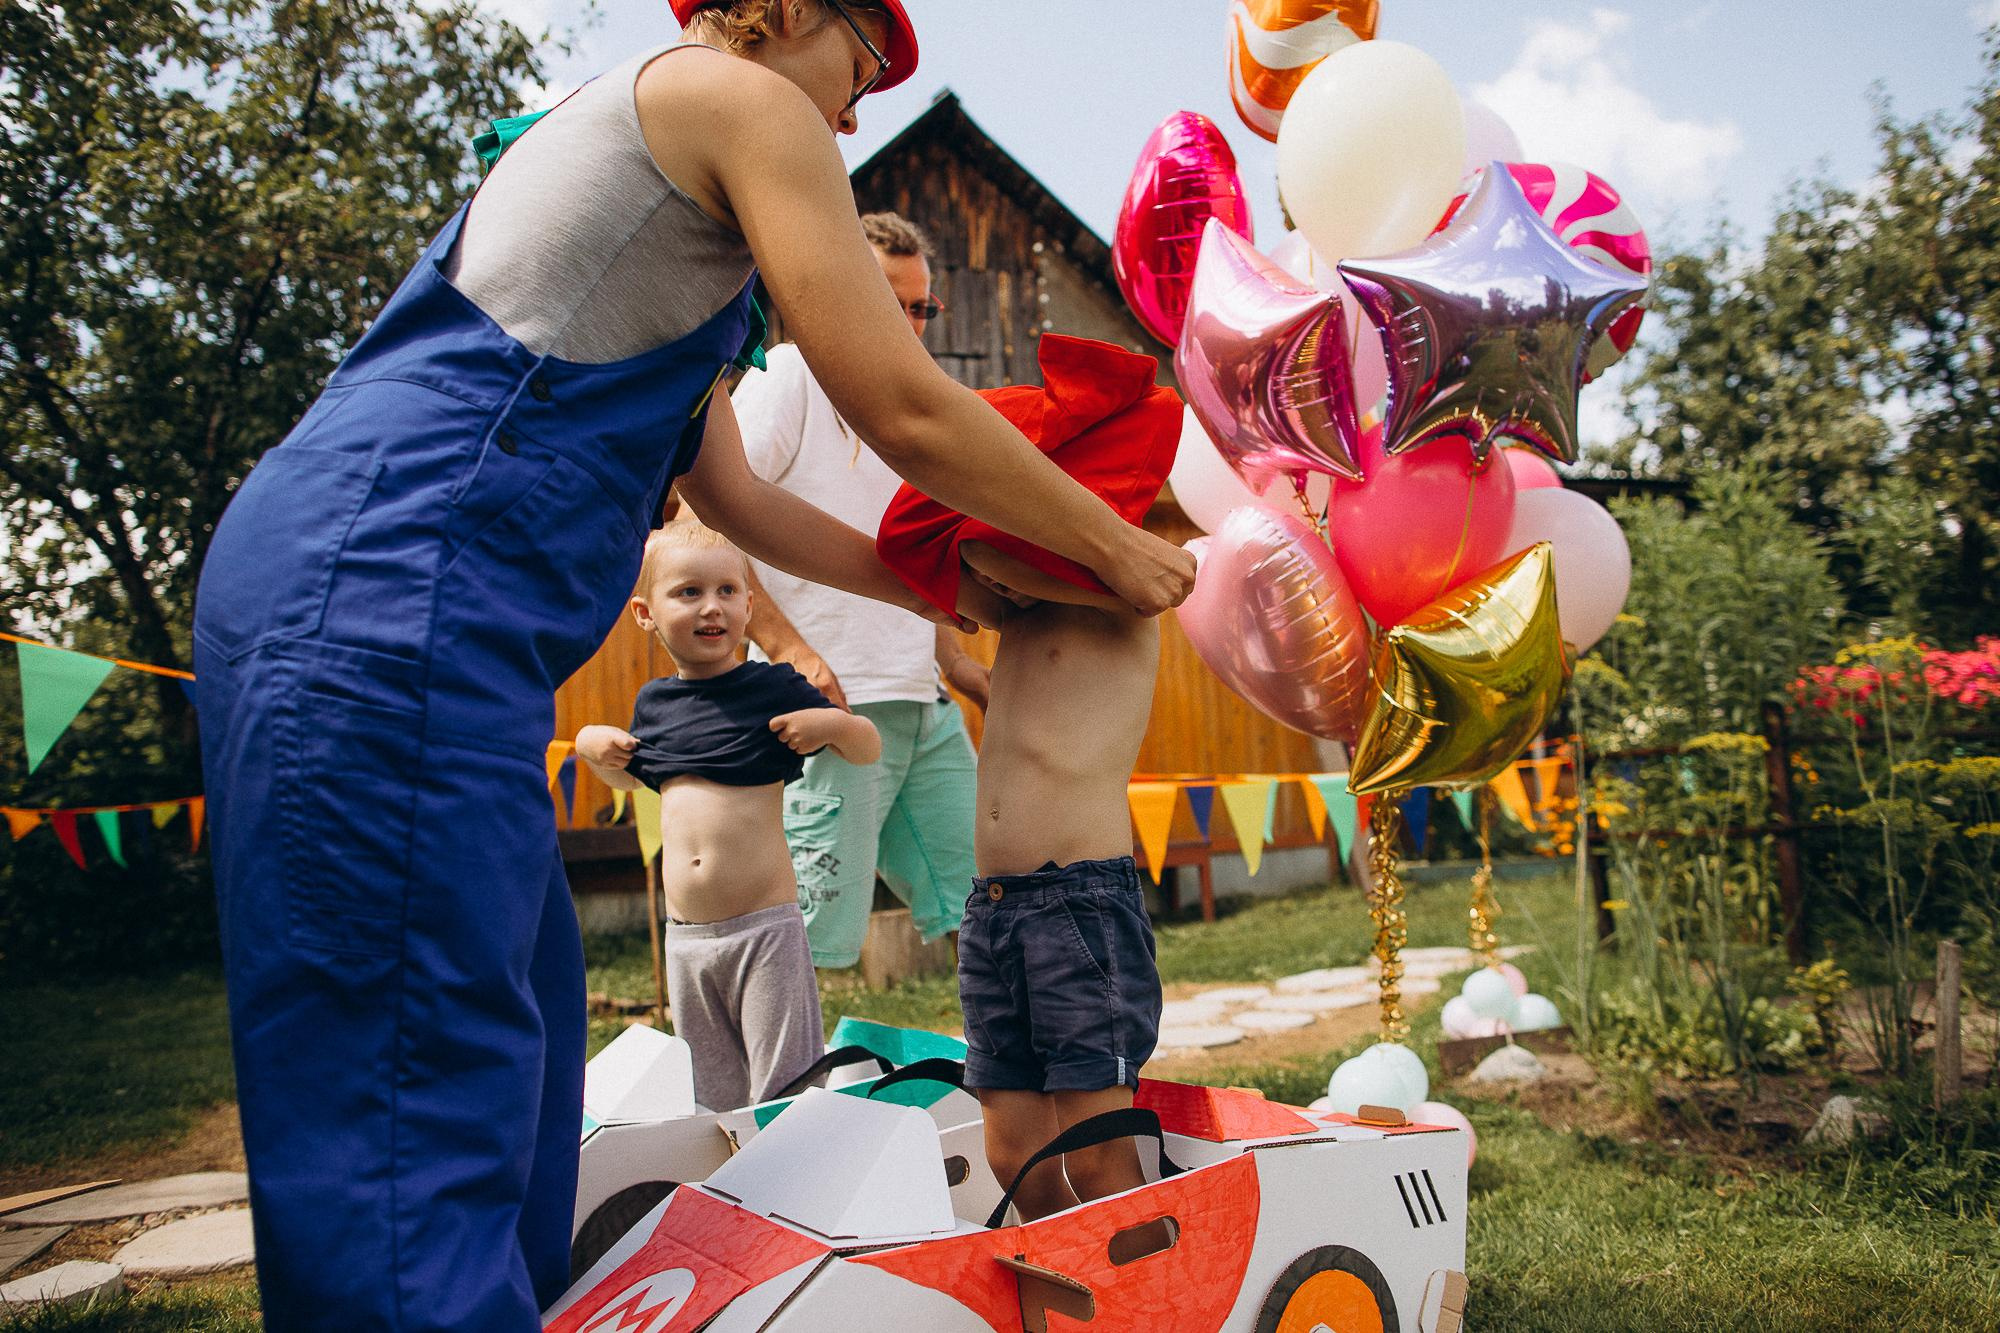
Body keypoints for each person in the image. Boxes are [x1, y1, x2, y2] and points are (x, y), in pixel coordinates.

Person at [191, 1, 1195, 1326]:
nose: (854, 113)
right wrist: (1116, 552)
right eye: (863, 65)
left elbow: (745, 505)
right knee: (410, 1089)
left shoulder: (662, 219)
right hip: (386, 589)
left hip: (410, 609)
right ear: (786, 11)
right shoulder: (735, 100)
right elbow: (900, 404)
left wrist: (968, 579)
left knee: (512, 1050)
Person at [877, 333, 1179, 1223]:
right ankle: (1059, 1295)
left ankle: (1159, 1302)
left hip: (1079, 904)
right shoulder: (1021, 612)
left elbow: (997, 554)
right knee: (1012, 1147)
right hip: (996, 906)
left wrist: (1009, 510)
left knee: (1097, 1146)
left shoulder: (1129, 590)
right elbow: (956, 564)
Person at [734, 211, 986, 969]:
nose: (907, 325)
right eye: (890, 301)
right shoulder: (787, 377)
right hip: (826, 705)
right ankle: (769, 1091)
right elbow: (706, 523)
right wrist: (791, 651)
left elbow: (906, 561)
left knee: (988, 904)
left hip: (922, 704)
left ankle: (1009, 1086)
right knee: (809, 941)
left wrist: (956, 664)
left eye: (921, 308)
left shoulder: (914, 407)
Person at [576, 522, 878, 1111]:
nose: (711, 606)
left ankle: (787, 1188)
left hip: (763, 929)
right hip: (688, 939)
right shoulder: (654, 704)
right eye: (688, 592)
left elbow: (867, 747)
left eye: (727, 591)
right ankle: (731, 1189)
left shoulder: (772, 689)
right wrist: (591, 744)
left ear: (748, 605)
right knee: (712, 1095)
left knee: (785, 1087)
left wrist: (834, 725)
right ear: (645, 613)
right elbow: (630, 774)